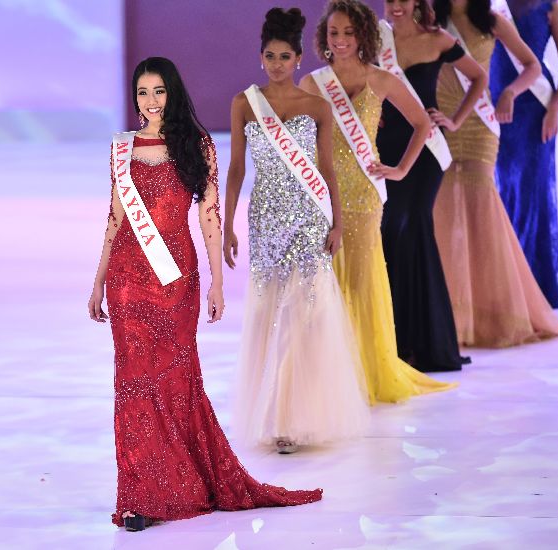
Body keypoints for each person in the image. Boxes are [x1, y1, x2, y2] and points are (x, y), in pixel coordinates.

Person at [88, 56, 323, 532]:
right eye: (142, 93)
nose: (150, 102)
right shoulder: (121, 150)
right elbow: (115, 217)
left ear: (172, 94)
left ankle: (182, 481)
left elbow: (209, 218)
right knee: (133, 385)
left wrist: (217, 280)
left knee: (174, 381)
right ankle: (139, 496)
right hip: (130, 279)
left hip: (177, 279)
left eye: (158, 92)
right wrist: (98, 280)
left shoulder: (196, 147)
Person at [224, 7, 369, 453]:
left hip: (309, 220)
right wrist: (227, 223)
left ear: (300, 58)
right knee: (272, 313)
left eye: (285, 56)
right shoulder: (245, 103)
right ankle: (275, 416)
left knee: (304, 315)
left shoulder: (317, 108)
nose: (277, 64)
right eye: (270, 56)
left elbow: (327, 172)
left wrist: (339, 223)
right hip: (266, 220)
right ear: (261, 56)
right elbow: (235, 169)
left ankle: (300, 416)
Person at [299, 0, 456, 403]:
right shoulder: (311, 83)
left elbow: (422, 123)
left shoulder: (381, 79)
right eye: (334, 32)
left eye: (349, 32)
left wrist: (401, 169)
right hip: (324, 197)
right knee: (327, 285)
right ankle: (331, 377)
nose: (341, 40)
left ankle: (367, 370)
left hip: (367, 196)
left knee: (365, 280)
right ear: (324, 37)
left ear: (364, 35)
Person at [432, 0, 558, 346]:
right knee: (446, 211)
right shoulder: (432, 21)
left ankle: (509, 303)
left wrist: (523, 96)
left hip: (500, 119)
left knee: (500, 208)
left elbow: (539, 65)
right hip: (454, 119)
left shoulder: (498, 17)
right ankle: (453, 310)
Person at [375, 0, 486, 372]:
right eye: (391, 0)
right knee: (389, 230)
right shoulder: (375, 39)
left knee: (414, 227)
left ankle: (428, 343)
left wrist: (454, 120)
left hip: (425, 150)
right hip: (384, 146)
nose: (396, 6)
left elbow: (479, 77)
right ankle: (390, 341)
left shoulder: (438, 40)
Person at [490, 0, 558, 308]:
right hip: (494, 110)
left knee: (533, 196)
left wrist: (554, 108)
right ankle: (507, 284)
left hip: (536, 113)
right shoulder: (489, 6)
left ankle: (535, 290)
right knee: (503, 196)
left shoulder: (549, 5)